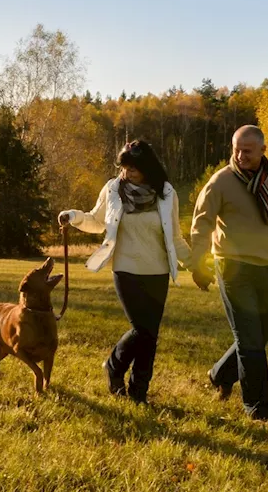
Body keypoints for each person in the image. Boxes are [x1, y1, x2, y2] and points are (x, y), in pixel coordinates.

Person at [58, 140, 191, 404]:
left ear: (148, 167)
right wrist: (72, 216)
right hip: (125, 269)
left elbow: (175, 237)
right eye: (124, 166)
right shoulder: (113, 189)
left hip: (158, 272)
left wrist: (195, 265)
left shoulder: (166, 193)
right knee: (142, 329)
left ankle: (139, 393)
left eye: (134, 167)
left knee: (150, 336)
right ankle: (114, 365)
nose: (127, 172)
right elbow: (97, 221)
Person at [188, 125, 268, 421]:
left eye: (247, 150)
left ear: (263, 150)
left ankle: (220, 374)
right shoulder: (221, 181)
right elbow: (201, 225)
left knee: (261, 334)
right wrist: (198, 264)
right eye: (236, 149)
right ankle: (257, 410)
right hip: (232, 266)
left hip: (264, 265)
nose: (240, 155)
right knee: (249, 341)